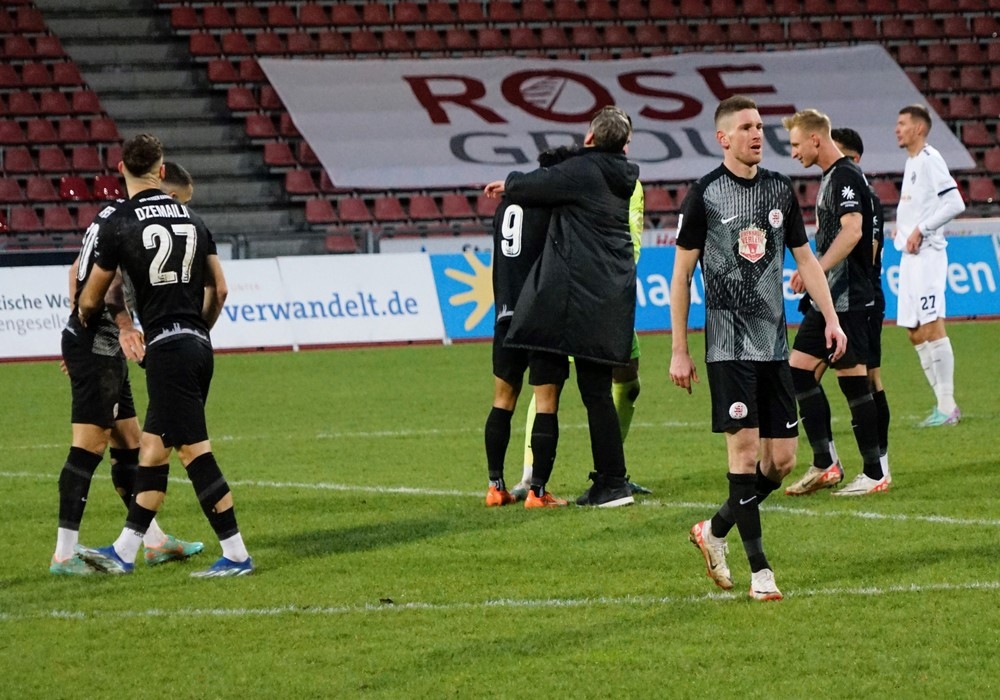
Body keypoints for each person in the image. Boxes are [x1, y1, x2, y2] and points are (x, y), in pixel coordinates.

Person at [670, 96, 846, 600]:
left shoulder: (778, 188)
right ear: (723, 138)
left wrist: (831, 319)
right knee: (744, 456)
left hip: (772, 345)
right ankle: (761, 573)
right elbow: (681, 276)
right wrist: (680, 349)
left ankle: (713, 530)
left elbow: (806, 259)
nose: (756, 134)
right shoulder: (704, 194)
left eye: (760, 126)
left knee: (782, 461)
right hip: (728, 347)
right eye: (746, 127)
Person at [76, 133, 253, 577]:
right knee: (153, 450)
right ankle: (125, 550)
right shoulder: (193, 219)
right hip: (195, 345)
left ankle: (236, 554)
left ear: (121, 169)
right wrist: (198, 331)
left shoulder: (120, 222)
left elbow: (93, 296)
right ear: (162, 169)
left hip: (167, 351)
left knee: (194, 452)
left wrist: (90, 322)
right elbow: (220, 289)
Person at [49, 167, 203, 576]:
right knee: (88, 445)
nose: (177, 211)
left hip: (97, 344)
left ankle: (153, 541)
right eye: (178, 201)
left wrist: (78, 328)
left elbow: (75, 271)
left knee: (129, 441)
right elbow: (111, 282)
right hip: (100, 345)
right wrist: (110, 331)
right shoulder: (133, 222)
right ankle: (63, 555)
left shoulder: (111, 213)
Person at [484, 105, 639, 508]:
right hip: (606, 296)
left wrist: (509, 184)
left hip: (574, 300)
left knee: (578, 394)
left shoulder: (583, 172)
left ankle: (606, 484)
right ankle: (606, 481)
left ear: (590, 138)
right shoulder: (620, 176)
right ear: (625, 144)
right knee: (592, 392)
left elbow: (538, 184)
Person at [511, 177, 652, 503]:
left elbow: (633, 241)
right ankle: (530, 476)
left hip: (609, 295)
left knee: (628, 380)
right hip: (576, 292)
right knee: (549, 384)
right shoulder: (580, 176)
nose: (624, 152)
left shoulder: (630, 184)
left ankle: (612, 472)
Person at [781, 109, 885, 497]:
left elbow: (853, 231)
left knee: (854, 381)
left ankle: (874, 472)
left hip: (850, 298)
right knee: (798, 372)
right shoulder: (831, 177)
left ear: (815, 139)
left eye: (796, 144)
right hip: (830, 299)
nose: (794, 153)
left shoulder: (845, 176)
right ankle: (825, 463)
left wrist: (817, 268)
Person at [484, 147, 569, 509]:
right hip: (541, 316)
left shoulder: (506, 205)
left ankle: (495, 487)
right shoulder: (553, 204)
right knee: (546, 404)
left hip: (505, 314)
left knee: (503, 401)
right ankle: (537, 492)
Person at [893, 104, 966, 427]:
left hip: (928, 257)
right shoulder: (911, 162)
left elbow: (955, 202)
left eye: (902, 123)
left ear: (919, 128)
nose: (897, 129)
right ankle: (943, 405)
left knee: (933, 326)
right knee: (914, 331)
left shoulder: (929, 159)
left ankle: (947, 406)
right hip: (909, 258)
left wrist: (922, 229)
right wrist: (904, 231)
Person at [831, 127, 892, 481]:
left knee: (869, 379)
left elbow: (868, 250)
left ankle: (879, 464)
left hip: (862, 296)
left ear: (853, 158)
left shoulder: (864, 196)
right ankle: (831, 460)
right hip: (848, 295)